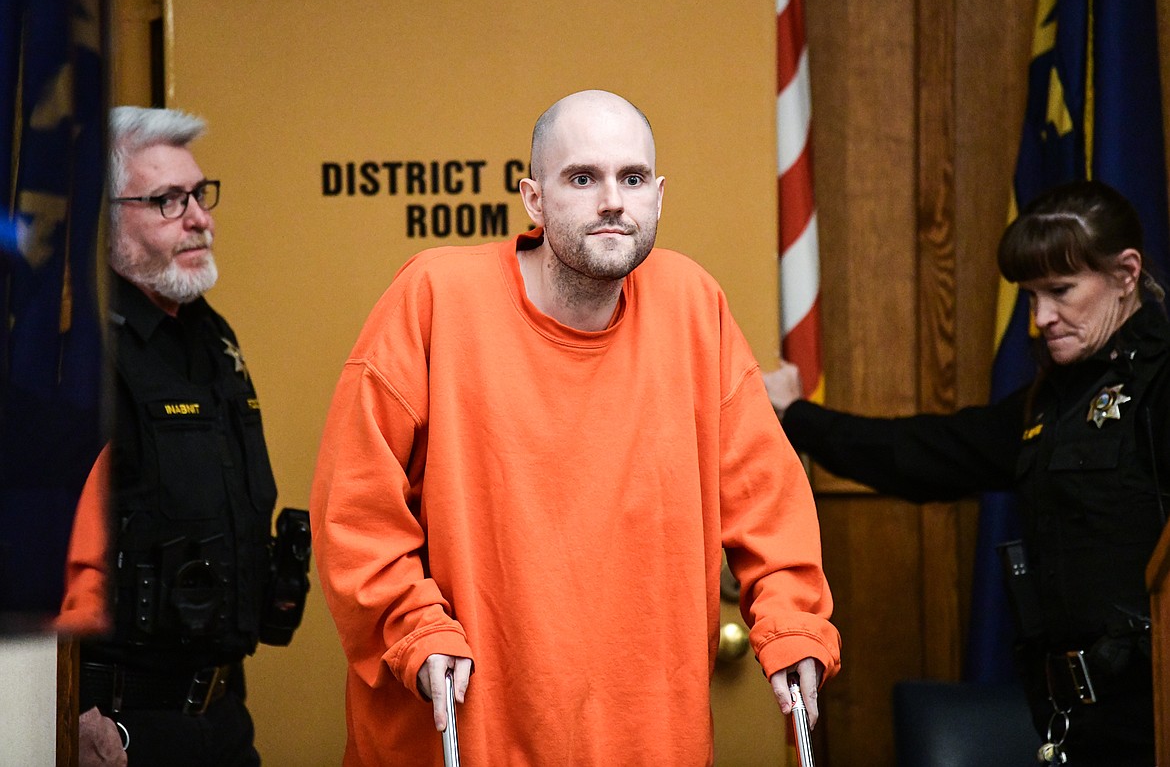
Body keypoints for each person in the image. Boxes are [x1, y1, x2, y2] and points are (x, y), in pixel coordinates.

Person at [310, 89, 841, 766]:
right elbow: (354, 513)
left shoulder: (691, 304)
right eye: (582, 178)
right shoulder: (436, 296)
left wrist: (793, 623)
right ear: (533, 198)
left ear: (658, 194)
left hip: (651, 737)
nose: (613, 200)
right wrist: (413, 629)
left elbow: (768, 501)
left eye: (632, 178)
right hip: (466, 733)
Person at [765, 179, 1167, 766]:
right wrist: (797, 416)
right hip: (1077, 721)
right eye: (1031, 296)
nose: (1042, 318)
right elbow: (923, 454)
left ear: (1126, 274)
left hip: (1154, 712)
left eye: (1060, 290)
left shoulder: (1160, 382)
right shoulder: (1050, 400)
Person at [57, 106, 308, 767]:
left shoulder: (208, 332)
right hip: (117, 730)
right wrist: (70, 713)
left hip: (221, 715)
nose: (201, 218)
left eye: (199, 194)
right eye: (168, 200)